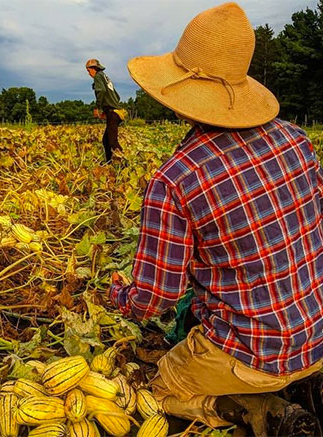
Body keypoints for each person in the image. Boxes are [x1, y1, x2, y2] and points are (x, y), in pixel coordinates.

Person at [109, 3, 323, 436]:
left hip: (253, 356)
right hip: (318, 334)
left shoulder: (176, 180)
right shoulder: (298, 140)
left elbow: (155, 299)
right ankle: (305, 383)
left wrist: (118, 295)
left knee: (158, 389)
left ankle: (257, 411)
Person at [86, 58, 122, 163]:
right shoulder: (105, 77)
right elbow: (117, 96)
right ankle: (108, 162)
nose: (89, 74)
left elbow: (100, 91)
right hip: (115, 112)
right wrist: (109, 108)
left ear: (94, 69)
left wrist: (98, 107)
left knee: (112, 142)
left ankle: (123, 164)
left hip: (113, 113)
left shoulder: (98, 76)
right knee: (106, 141)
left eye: (89, 71)